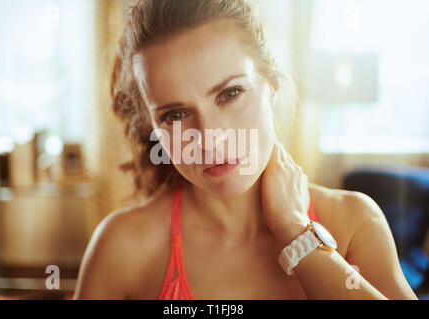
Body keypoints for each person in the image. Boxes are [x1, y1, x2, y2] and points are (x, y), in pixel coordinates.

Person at [73, 0, 417, 300]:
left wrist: (296, 233)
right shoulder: (122, 249)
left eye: (229, 94)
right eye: (175, 115)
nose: (209, 139)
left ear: (272, 87)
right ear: (152, 127)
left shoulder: (355, 223)